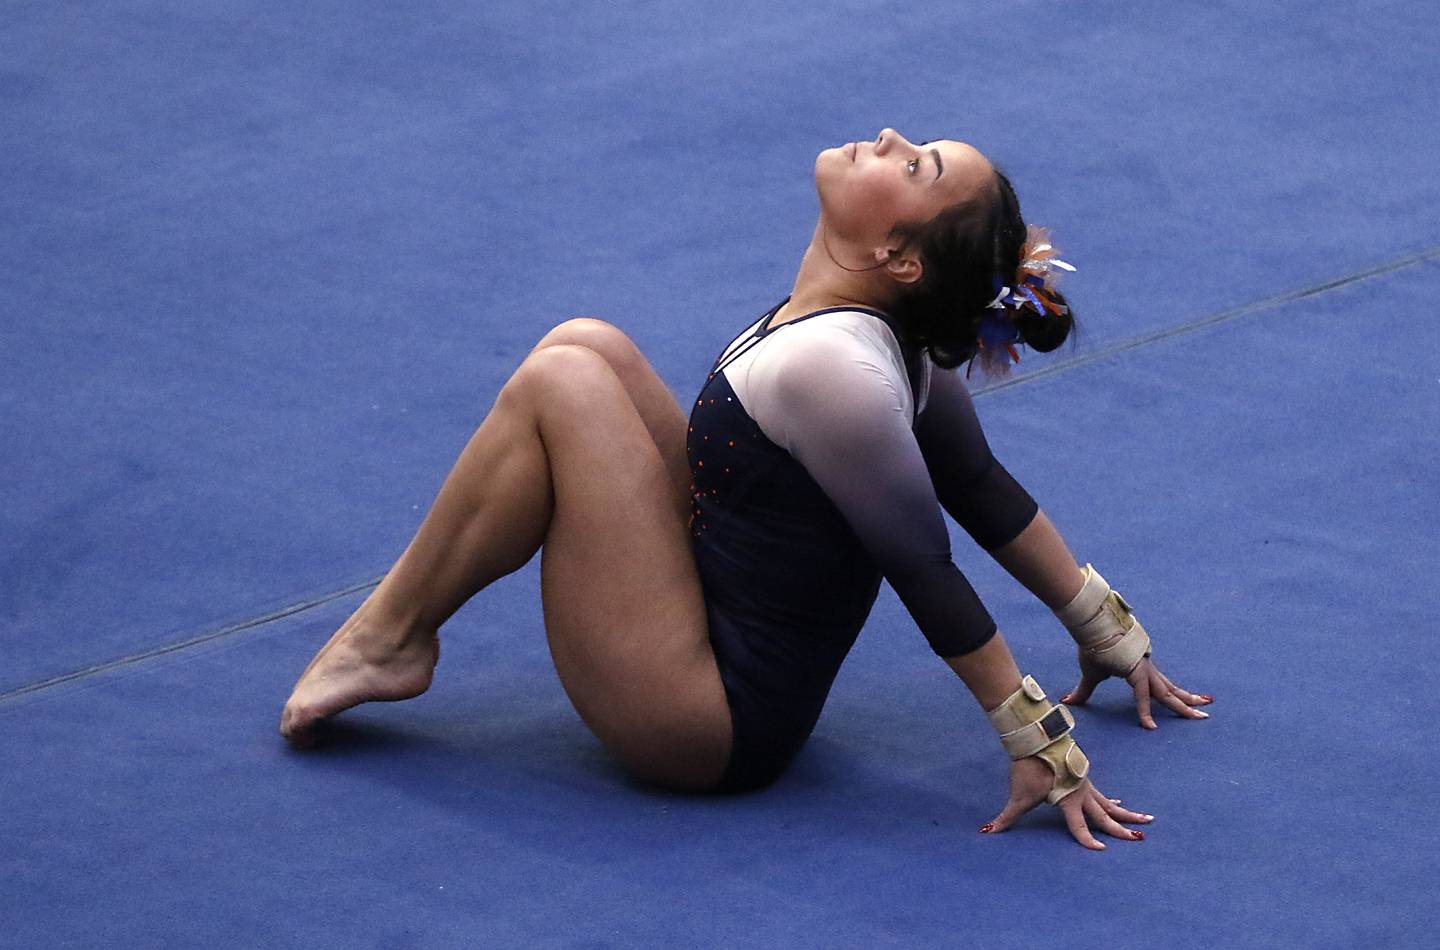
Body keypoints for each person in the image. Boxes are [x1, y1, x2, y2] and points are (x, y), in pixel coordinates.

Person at [280, 128, 1212, 850]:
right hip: (709, 614)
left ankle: (393, 637)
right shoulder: (884, 343)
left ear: (901, 256)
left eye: (917, 164)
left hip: (703, 721)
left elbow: (927, 566)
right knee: (586, 345)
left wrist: (1038, 741)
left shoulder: (837, 374)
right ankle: (395, 633)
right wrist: (1106, 629)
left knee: (558, 385)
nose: (887, 138)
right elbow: (986, 490)